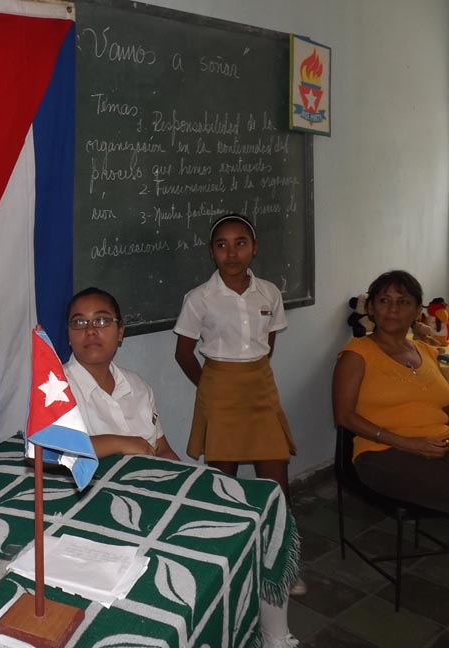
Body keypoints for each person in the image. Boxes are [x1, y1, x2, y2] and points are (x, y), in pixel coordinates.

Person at [173, 214, 305, 603]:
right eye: (222, 244)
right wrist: (212, 389)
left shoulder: (269, 292)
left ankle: (282, 567)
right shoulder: (199, 298)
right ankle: (227, 569)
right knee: (224, 484)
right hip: (220, 390)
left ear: (255, 247)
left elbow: (269, 343)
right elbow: (183, 353)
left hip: (261, 387)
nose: (232, 252)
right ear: (212, 252)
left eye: (240, 242)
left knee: (276, 483)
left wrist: (252, 376)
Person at [333, 270, 449, 513]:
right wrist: (410, 444)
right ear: (372, 309)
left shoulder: (427, 352)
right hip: (383, 453)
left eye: (403, 301)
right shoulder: (357, 355)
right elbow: (344, 416)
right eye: (384, 300)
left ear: (418, 311)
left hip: (438, 443)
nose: (393, 309)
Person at [63, 287, 180, 460]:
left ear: (120, 332)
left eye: (101, 321)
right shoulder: (56, 386)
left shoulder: (137, 386)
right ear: (69, 336)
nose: (90, 330)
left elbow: (162, 450)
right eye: (79, 323)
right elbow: (42, 453)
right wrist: (118, 443)